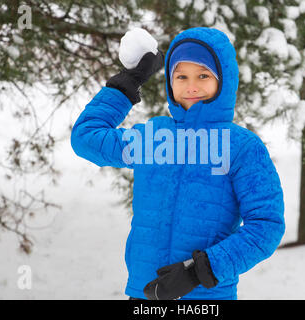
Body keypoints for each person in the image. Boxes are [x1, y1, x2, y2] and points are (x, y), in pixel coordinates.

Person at [71, 27, 285, 300]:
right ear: (170, 81)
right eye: (181, 76)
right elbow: (86, 137)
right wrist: (129, 81)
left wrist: (198, 271)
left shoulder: (241, 147)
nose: (191, 85)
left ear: (224, 81)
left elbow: (266, 225)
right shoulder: (154, 138)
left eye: (204, 75)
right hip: (146, 294)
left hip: (208, 297)